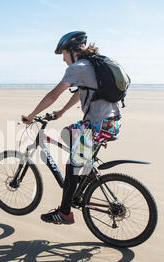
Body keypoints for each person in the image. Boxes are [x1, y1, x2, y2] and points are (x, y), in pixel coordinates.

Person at [22, 31, 122, 225]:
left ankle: (65, 213)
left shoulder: (78, 67)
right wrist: (62, 111)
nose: (63, 59)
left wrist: (32, 115)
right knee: (68, 132)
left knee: (71, 166)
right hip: (111, 123)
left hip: (97, 126)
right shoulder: (93, 64)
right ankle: (85, 169)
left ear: (71, 51)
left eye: (63, 55)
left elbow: (53, 94)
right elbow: (82, 92)